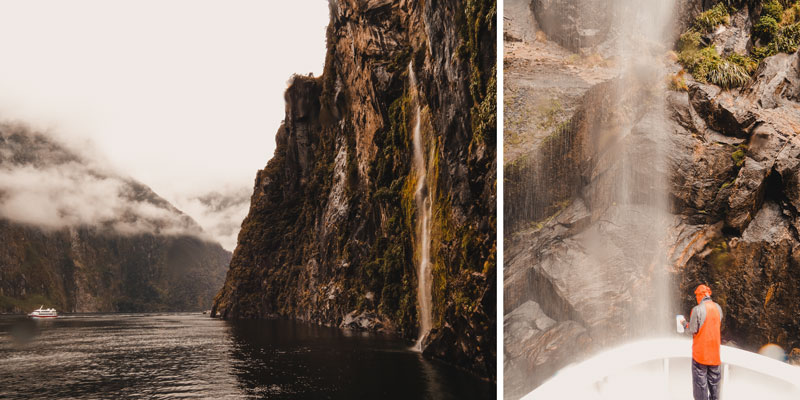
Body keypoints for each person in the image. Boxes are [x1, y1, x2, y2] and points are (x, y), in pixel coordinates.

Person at [681, 284, 723, 400]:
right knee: (715, 386)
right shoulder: (718, 308)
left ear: (701, 295)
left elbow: (692, 330)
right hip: (715, 355)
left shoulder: (697, 309)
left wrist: (684, 324)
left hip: (700, 355)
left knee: (700, 386)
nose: (696, 298)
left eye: (697, 296)